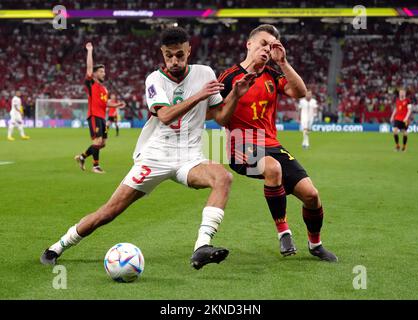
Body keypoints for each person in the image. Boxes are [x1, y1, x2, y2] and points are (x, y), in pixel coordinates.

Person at [40, 27, 254, 270]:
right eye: (169, 55)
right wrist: (198, 96)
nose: (174, 61)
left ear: (189, 51)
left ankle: (201, 246)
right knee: (109, 212)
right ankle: (59, 245)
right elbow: (164, 116)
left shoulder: (205, 73)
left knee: (223, 177)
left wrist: (235, 95)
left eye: (180, 55)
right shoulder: (154, 79)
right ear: (162, 53)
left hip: (190, 157)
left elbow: (221, 118)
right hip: (155, 157)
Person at [212, 24, 338, 262]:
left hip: (271, 144)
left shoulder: (271, 73)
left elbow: (299, 92)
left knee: (312, 195)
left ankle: (315, 244)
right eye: (263, 43)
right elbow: (219, 117)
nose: (267, 49)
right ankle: (284, 232)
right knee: (273, 169)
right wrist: (235, 95)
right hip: (241, 145)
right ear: (249, 44)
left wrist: (283, 62)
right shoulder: (229, 77)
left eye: (271, 46)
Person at [74, 42, 125, 174]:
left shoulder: (104, 88)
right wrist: (90, 50)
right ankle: (96, 166)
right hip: (94, 116)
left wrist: (117, 105)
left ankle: (82, 157)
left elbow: (105, 103)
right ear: (95, 74)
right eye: (101, 71)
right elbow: (89, 68)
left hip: (103, 117)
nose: (104, 74)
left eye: (104, 71)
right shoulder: (91, 83)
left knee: (102, 143)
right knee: (97, 141)